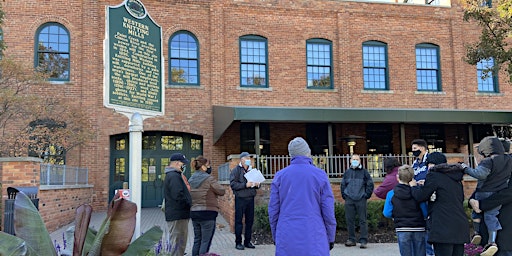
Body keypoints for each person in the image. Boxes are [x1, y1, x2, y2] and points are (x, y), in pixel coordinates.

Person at [268, 137, 337, 255]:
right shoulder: (319, 175)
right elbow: (328, 211)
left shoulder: (280, 176)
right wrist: (330, 237)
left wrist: (276, 236)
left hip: (287, 233)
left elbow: (273, 210)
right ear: (308, 152)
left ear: (291, 155)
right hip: (314, 234)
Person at [410, 152, 470, 256]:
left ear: (432, 164)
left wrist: (414, 186)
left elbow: (421, 196)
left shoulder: (434, 175)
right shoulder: (456, 178)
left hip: (443, 226)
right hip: (459, 226)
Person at [461, 136, 512, 256]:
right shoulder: (495, 167)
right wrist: (471, 201)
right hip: (487, 230)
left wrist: (482, 204)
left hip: (506, 228)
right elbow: (481, 187)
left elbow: (508, 193)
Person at [383, 165, 427, 256]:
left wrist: (395, 215)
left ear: (397, 177)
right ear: (412, 178)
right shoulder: (417, 192)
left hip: (402, 227)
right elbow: (425, 212)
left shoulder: (391, 194)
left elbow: (386, 213)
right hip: (418, 227)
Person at [189, 156, 226, 256]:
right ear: (203, 167)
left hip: (194, 212)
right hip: (208, 213)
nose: (209, 167)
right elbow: (221, 191)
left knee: (197, 240)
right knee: (205, 241)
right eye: (208, 165)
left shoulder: (191, 179)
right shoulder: (209, 179)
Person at [340, 154, 374, 249]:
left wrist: (366, 195)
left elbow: (370, 184)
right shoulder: (347, 172)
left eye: (357, 159)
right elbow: (343, 184)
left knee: (362, 220)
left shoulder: (364, 172)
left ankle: (363, 241)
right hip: (349, 199)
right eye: (353, 159)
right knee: (349, 220)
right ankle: (351, 239)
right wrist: (345, 195)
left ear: (360, 161)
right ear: (350, 161)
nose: (355, 160)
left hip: (361, 199)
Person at [469, 182, 512, 256]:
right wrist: (472, 199)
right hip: (488, 232)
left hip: (506, 233)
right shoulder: (493, 171)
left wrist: (481, 204)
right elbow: (484, 187)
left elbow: (508, 193)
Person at [229, 151, 260, 250]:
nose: (249, 160)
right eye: (246, 158)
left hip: (250, 199)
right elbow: (233, 184)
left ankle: (247, 241)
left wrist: (257, 184)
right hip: (240, 199)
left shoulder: (252, 170)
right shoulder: (236, 170)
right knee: (239, 221)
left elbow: (258, 183)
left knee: (249, 221)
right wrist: (245, 185)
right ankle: (238, 242)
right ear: (241, 160)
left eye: (249, 158)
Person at [163, 153, 192, 256]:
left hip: (178, 214)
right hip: (178, 215)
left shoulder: (173, 175)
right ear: (176, 163)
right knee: (178, 244)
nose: (183, 166)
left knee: (178, 243)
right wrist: (188, 204)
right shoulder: (174, 176)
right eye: (182, 163)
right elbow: (178, 195)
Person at [411, 138, 434, 256]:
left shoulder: (429, 160)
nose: (413, 151)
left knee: (429, 225)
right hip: (418, 195)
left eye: (415, 149)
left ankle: (430, 252)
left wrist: (424, 182)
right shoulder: (415, 163)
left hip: (429, 196)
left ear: (423, 148)